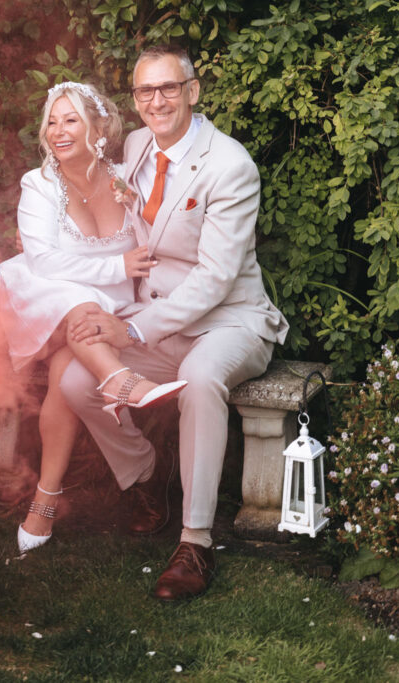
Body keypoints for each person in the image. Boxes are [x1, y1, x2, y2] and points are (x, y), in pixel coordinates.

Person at [61, 44, 289, 600]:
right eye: (145, 90)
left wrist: (134, 330)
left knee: (203, 380)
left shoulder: (230, 165)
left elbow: (214, 280)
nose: (156, 100)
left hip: (229, 321)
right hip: (159, 316)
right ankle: (145, 476)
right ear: (135, 99)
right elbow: (113, 219)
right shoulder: (138, 146)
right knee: (73, 377)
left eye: (168, 88)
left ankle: (196, 541)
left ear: (193, 90)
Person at [0, 81, 187, 554]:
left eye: (71, 120)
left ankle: (46, 498)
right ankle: (122, 382)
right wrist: (116, 266)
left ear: (98, 128)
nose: (58, 131)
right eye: (52, 122)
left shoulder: (127, 179)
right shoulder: (38, 185)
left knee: (66, 374)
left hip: (117, 305)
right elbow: (43, 263)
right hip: (49, 299)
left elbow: (163, 230)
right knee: (80, 310)